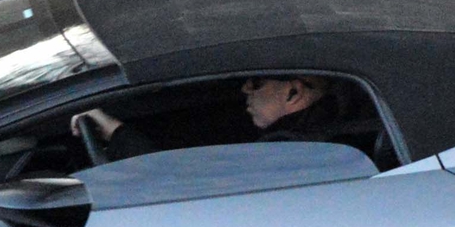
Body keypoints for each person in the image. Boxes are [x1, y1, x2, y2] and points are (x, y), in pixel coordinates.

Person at [72, 76, 334, 163]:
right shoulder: (305, 132)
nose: (244, 89)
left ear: (293, 94)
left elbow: (175, 182)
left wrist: (117, 133)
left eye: (256, 82)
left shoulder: (289, 151)